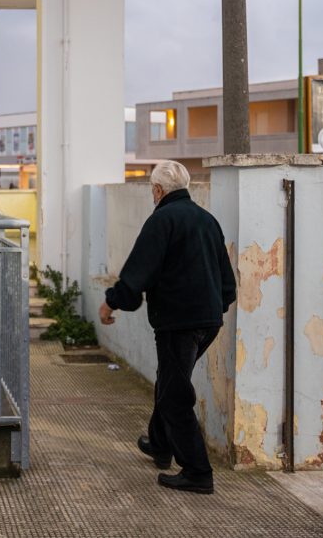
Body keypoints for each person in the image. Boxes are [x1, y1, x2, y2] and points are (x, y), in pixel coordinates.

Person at [98, 160, 236, 495]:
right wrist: (214, 309)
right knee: (170, 380)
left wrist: (112, 302)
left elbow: (138, 272)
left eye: (151, 190)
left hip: (179, 324)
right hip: (208, 321)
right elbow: (227, 283)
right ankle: (160, 444)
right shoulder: (207, 220)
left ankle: (197, 471)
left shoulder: (161, 220)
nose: (151, 195)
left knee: (175, 395)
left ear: (158, 191)